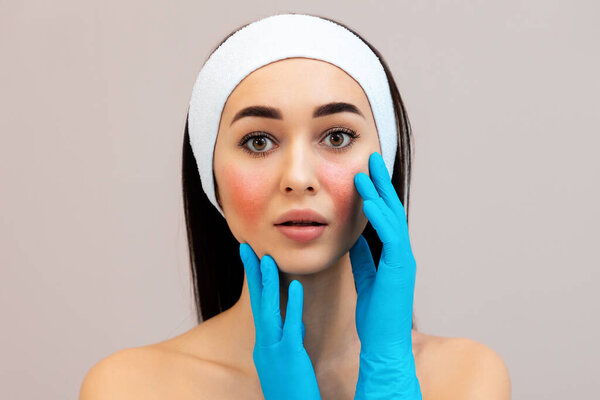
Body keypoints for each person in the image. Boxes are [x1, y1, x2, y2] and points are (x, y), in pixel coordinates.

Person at [79, 13, 511, 400]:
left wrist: (389, 378)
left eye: (337, 137)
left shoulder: (466, 378)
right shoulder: (128, 387)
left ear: (387, 162)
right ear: (210, 177)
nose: (298, 178)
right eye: (258, 141)